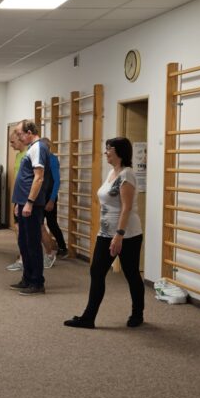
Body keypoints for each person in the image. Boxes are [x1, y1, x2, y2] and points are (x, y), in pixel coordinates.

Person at [64, 136, 145, 329]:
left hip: (127, 234)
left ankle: (137, 314)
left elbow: (126, 208)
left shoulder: (127, 175)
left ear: (119, 152)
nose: (106, 152)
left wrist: (119, 235)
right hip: (106, 233)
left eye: (109, 149)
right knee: (97, 272)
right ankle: (88, 318)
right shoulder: (112, 173)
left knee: (131, 273)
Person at [8, 120, 49, 296]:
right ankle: (27, 278)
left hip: (31, 204)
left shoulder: (38, 148)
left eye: (20, 134)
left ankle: (37, 282)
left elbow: (38, 178)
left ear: (30, 132)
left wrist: (30, 202)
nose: (18, 137)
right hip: (23, 202)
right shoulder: (31, 148)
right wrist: (19, 203)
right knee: (24, 243)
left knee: (32, 244)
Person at [40, 138, 68, 257]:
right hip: (39, 197)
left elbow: (56, 181)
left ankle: (62, 248)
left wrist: (52, 200)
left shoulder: (52, 159)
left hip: (49, 197)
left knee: (51, 224)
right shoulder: (38, 159)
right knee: (39, 224)